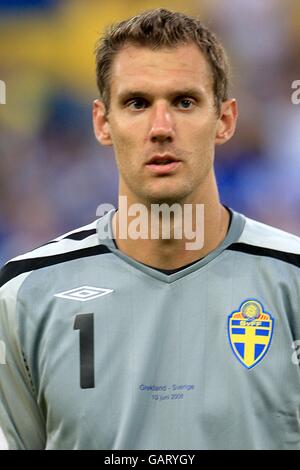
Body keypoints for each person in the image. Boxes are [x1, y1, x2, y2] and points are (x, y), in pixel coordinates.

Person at [0, 8, 300, 450]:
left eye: (185, 102)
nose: (161, 128)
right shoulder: (26, 294)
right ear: (103, 122)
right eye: (137, 103)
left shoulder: (292, 283)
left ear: (225, 120)